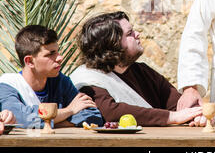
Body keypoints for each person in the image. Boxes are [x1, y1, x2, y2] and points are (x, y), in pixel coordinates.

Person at [69, 12, 204, 127]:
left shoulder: (142, 71)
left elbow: (176, 104)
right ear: (112, 44)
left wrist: (196, 116)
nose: (137, 34)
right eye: (130, 33)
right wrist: (172, 117)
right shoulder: (88, 80)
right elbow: (110, 112)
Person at [0, 25, 103, 129]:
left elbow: (93, 116)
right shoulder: (4, 87)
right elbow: (22, 118)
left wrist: (49, 123)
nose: (60, 58)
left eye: (57, 51)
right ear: (29, 61)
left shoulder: (60, 81)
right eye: (51, 54)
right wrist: (70, 110)